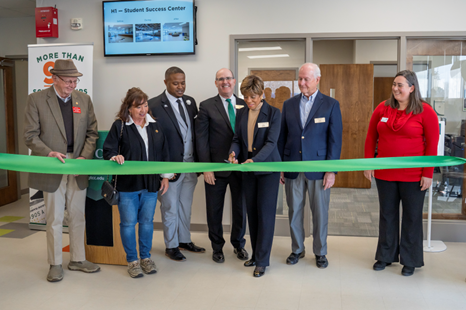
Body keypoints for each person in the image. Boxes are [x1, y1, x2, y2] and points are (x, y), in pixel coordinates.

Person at [23, 59, 99, 282]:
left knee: (77, 215)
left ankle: (77, 259)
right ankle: (55, 263)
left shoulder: (84, 100)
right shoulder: (36, 100)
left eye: (75, 81)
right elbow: (30, 135)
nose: (72, 85)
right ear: (54, 78)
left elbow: (92, 133)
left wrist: (84, 157)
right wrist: (49, 153)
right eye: (68, 81)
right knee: (55, 218)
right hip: (52, 163)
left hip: (78, 164)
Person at [364, 70, 439, 276]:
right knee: (387, 215)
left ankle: (410, 259)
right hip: (385, 174)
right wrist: (369, 163)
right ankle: (386, 255)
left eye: (400, 85)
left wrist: (428, 173)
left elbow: (432, 145)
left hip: (414, 176)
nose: (395, 88)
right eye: (394, 84)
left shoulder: (425, 111)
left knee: (412, 217)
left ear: (411, 88)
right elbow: (371, 137)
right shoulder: (383, 108)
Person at [278, 63, 342, 269]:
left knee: (320, 212)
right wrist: (281, 166)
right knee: (294, 210)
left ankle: (320, 251)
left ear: (317, 80)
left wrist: (331, 170)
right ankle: (297, 249)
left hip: (319, 169)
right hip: (293, 167)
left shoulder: (331, 104)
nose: (302, 83)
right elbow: (282, 137)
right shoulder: (288, 104)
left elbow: (335, 140)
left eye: (306, 79)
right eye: (300, 79)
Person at [103, 87, 172, 278]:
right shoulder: (120, 126)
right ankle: (132, 261)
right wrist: (114, 156)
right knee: (127, 223)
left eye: (145, 105)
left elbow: (164, 153)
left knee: (147, 222)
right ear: (129, 108)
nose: (143, 110)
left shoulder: (155, 126)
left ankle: (146, 258)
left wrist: (165, 176)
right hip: (128, 185)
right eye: (138, 106)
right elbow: (107, 150)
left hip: (151, 184)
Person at [148, 67, 205, 261]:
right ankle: (171, 245)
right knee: (170, 206)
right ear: (166, 83)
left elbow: (194, 133)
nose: (180, 87)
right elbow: (151, 140)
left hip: (190, 165)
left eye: (183, 82)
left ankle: (184, 239)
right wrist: (159, 171)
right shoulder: (153, 105)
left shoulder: (190, 102)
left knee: (185, 205)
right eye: (175, 83)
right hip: (169, 167)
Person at [229, 74, 281, 277]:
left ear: (262, 94)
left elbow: (271, 143)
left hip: (267, 168)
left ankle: (262, 260)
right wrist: (234, 153)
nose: (249, 101)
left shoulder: (274, 113)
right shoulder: (242, 113)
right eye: (246, 97)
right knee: (251, 212)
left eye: (253, 97)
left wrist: (255, 160)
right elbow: (236, 138)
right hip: (247, 167)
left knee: (265, 215)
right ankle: (255, 255)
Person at [195, 68, 248, 263]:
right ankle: (217, 248)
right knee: (214, 210)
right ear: (216, 83)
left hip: (240, 168)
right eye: (220, 79)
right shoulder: (207, 106)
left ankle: (238, 244)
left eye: (228, 78)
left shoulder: (245, 104)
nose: (225, 82)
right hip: (215, 169)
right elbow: (201, 140)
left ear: (234, 81)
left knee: (240, 209)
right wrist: (206, 167)